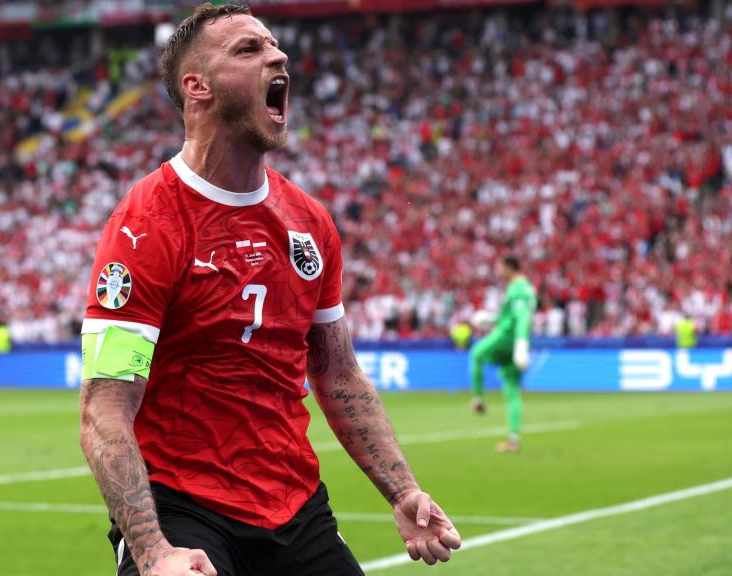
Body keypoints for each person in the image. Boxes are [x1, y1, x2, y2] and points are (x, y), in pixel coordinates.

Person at [78, 4, 461, 576]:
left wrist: (403, 491)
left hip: (296, 508)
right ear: (197, 86)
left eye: (274, 46)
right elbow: (105, 404)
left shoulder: (309, 221)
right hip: (184, 510)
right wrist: (154, 550)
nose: (278, 56)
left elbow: (337, 374)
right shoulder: (145, 224)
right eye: (248, 49)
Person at [469, 256, 537, 453]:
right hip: (514, 338)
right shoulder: (525, 288)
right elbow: (511, 315)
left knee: (476, 354)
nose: (497, 272)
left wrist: (521, 344)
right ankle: (513, 440)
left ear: (509, 268)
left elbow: (521, 317)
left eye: (499, 268)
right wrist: (490, 319)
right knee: (511, 388)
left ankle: (478, 399)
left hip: (508, 337)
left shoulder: (518, 287)